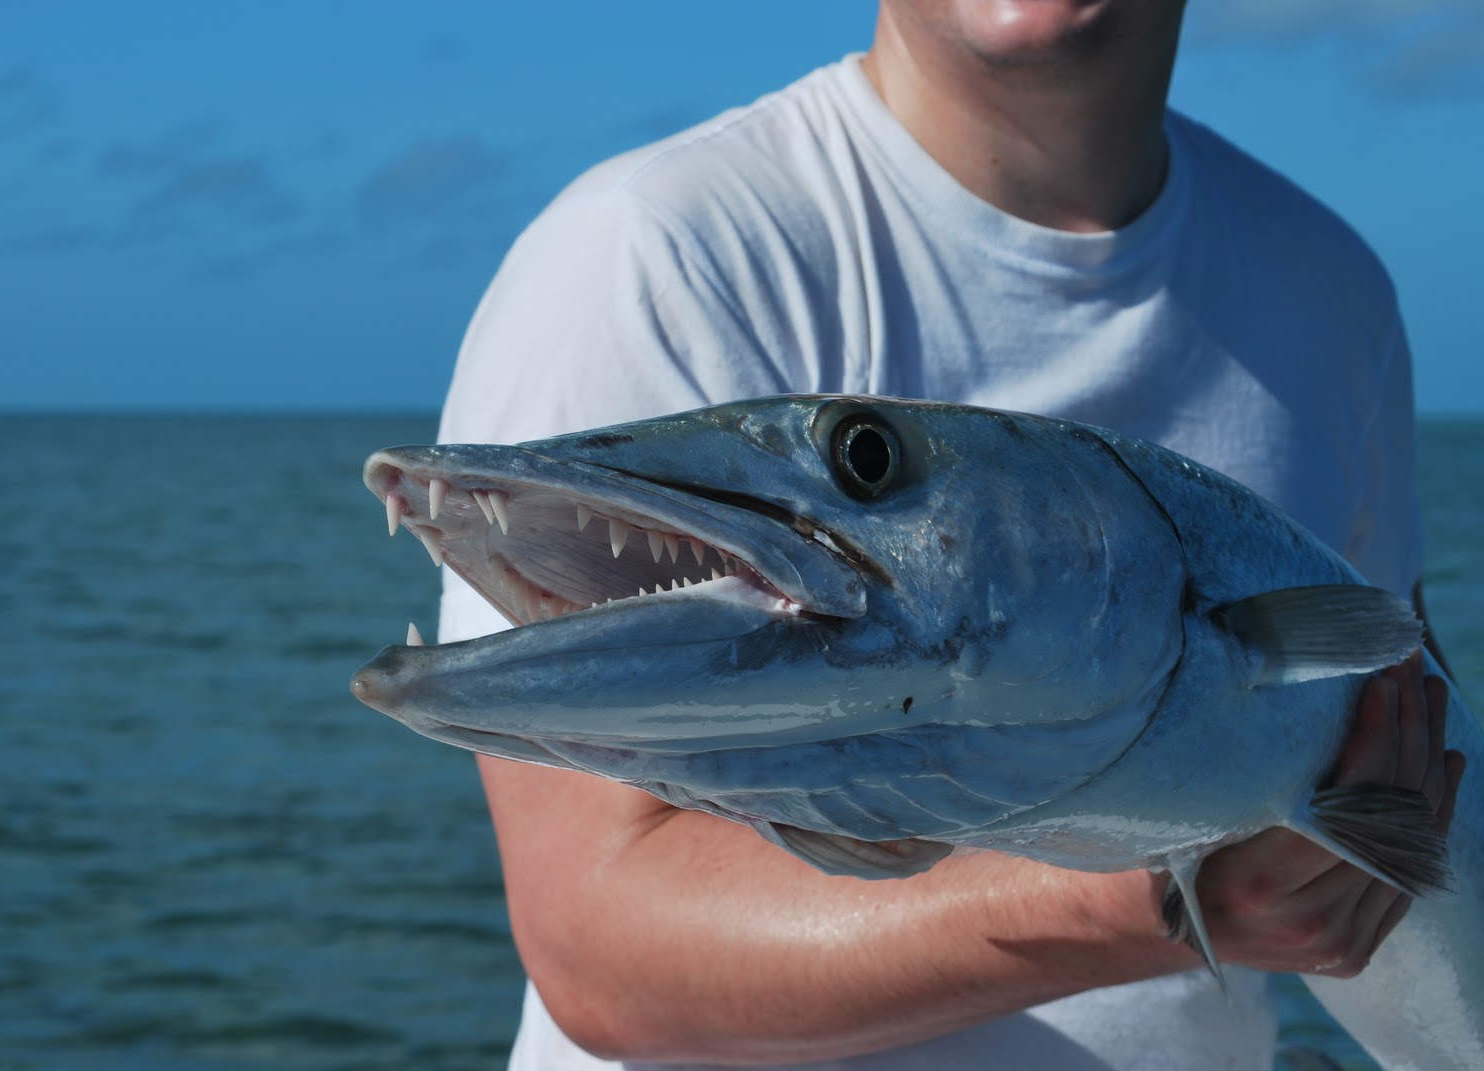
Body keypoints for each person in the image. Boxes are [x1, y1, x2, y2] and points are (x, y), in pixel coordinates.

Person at [435, 2, 1465, 1068]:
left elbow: (1404, 736)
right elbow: (597, 948)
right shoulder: (657, 247)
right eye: (865, 457)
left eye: (866, 460)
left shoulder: (1328, 284)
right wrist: (1145, 900)